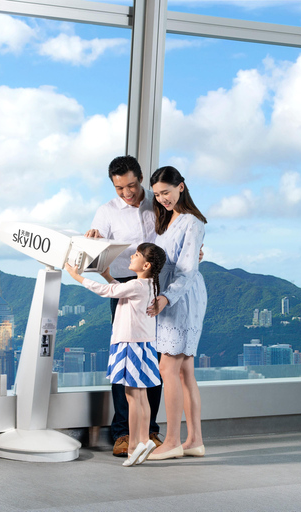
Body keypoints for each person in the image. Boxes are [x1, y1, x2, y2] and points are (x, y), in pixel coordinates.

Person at [86, 155, 163, 457]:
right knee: (126, 359)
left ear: (141, 178)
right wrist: (92, 238)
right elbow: (95, 246)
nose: (127, 193)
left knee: (153, 359)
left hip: (156, 285)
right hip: (122, 286)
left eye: (131, 186)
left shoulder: (157, 204)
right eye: (120, 189)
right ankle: (122, 433)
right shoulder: (106, 212)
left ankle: (150, 431)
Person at [65, 243, 167, 467]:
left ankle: (132, 447)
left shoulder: (138, 285)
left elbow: (110, 292)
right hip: (145, 345)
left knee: (131, 397)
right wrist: (110, 277)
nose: (132, 256)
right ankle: (144, 438)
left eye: (137, 255)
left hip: (129, 345)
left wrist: (77, 276)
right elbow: (121, 291)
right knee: (141, 396)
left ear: (146, 264)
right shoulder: (149, 285)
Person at [146, 166, 207, 460]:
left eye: (166, 192)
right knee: (184, 372)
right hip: (172, 298)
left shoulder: (191, 223)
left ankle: (172, 441)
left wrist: (165, 299)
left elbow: (187, 270)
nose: (162, 199)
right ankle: (194, 440)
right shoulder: (168, 222)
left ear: (181, 186)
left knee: (167, 368)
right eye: (157, 195)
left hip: (182, 299)